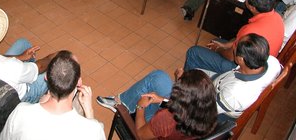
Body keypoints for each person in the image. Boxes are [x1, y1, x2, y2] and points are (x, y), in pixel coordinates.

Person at [98, 34, 281, 123]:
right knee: (177, 71)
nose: (232, 48)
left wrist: (169, 96)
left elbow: (198, 112)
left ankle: (122, 105)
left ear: (240, 59)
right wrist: (188, 79)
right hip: (210, 88)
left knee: (157, 78)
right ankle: (134, 108)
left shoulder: (235, 93)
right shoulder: (270, 62)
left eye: (235, 48)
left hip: (199, 110)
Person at [0, 50, 106, 140]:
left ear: (46, 77)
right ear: (79, 82)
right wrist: (89, 111)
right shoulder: (92, 130)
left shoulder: (20, 111)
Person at [184, 0, 284, 75]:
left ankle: (186, 86)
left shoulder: (250, 30)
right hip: (261, 67)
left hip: (242, 70)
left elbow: (232, 57)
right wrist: (225, 45)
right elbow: (239, 42)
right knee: (214, 41)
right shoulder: (277, 17)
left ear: (252, 7)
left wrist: (218, 49)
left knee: (193, 52)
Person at [97, 69, 217, 139]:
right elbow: (189, 107)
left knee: (144, 96)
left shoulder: (167, 118)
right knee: (160, 77)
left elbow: (140, 135)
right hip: (175, 129)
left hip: (149, 134)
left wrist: (140, 107)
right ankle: (121, 100)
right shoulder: (208, 109)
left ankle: (121, 105)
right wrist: (162, 100)